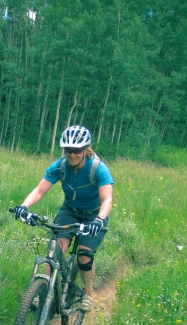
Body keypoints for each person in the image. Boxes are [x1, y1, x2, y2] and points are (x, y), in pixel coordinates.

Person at [13, 125, 113, 313]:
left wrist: (99, 220)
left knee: (85, 256)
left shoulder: (98, 168)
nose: (72, 154)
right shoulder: (60, 166)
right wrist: (24, 206)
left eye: (77, 150)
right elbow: (39, 190)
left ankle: (88, 293)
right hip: (70, 211)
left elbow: (107, 199)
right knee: (55, 250)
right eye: (68, 150)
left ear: (85, 149)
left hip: (94, 214)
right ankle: (43, 294)